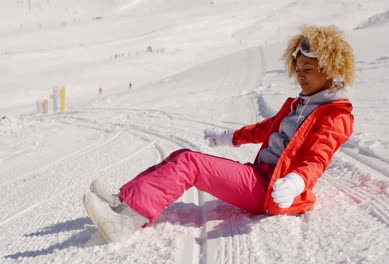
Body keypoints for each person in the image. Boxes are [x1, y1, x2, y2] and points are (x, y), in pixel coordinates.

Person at [83, 24, 355, 243]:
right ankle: (125, 201)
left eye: (308, 70)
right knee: (182, 155)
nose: (300, 77)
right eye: (298, 70)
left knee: (190, 164)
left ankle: (126, 223)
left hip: (271, 191)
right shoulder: (300, 104)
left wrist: (296, 182)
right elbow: (265, 129)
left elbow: (318, 158)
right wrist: (229, 137)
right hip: (259, 176)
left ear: (331, 70)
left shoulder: (335, 115)